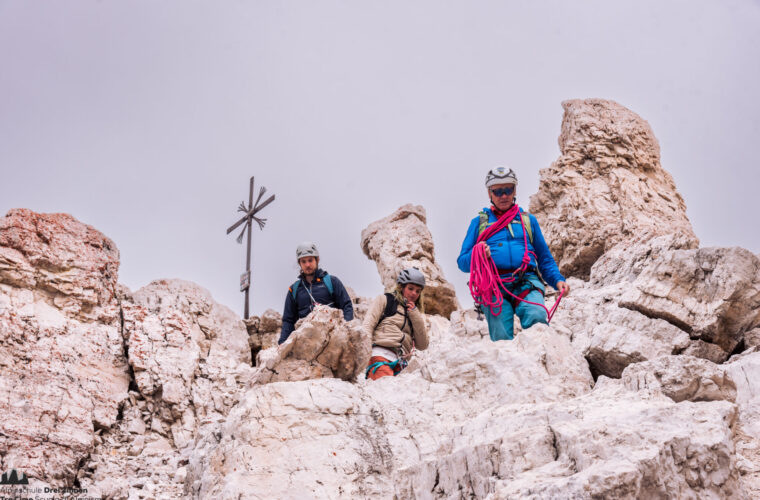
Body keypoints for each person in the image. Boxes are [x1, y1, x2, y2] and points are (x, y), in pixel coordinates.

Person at [457, 166, 569, 341]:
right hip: (493, 286)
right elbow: (462, 262)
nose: (503, 195)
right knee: (501, 337)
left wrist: (557, 280)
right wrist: (478, 254)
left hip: (526, 281)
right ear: (489, 193)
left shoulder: (527, 220)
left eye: (508, 189)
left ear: (515, 190)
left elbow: (544, 257)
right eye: (498, 191)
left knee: (537, 317)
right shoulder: (479, 223)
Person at [278, 241, 354, 344]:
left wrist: (346, 330)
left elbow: (347, 305)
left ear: (317, 260)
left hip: (333, 338)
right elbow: (288, 320)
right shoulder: (294, 290)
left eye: (310, 260)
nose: (307, 265)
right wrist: (282, 344)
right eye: (303, 261)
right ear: (299, 263)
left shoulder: (332, 282)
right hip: (306, 341)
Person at [363, 268, 430, 380]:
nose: (414, 293)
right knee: (386, 390)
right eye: (410, 288)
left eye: (418, 291)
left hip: (401, 364)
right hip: (380, 355)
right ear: (401, 287)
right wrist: (365, 352)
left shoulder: (414, 314)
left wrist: (415, 315)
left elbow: (422, 345)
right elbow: (368, 325)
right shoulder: (384, 300)